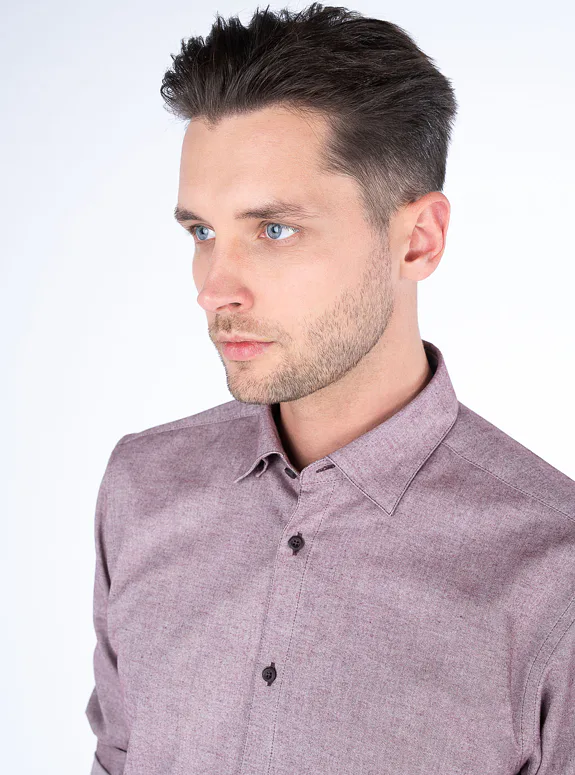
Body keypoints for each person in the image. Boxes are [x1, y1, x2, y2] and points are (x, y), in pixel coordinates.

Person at [85, 4, 575, 774]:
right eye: (202, 232)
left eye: (273, 230)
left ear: (417, 240)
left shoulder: (553, 570)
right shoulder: (143, 487)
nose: (214, 288)